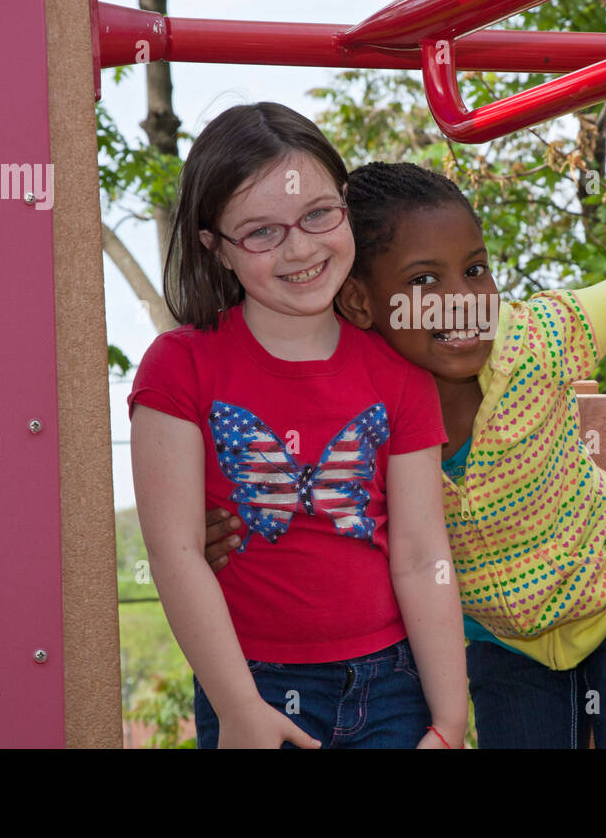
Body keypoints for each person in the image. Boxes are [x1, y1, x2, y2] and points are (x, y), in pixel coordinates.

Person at [205, 26, 606, 747]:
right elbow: (280, 477)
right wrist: (215, 526)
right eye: (422, 282)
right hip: (505, 640)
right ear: (357, 304)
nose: (462, 299)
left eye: (475, 269)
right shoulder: (356, 409)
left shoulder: (537, 333)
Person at [128, 102, 468, 749]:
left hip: (392, 686)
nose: (301, 247)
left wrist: (449, 724)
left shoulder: (398, 376)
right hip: (250, 684)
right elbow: (174, 554)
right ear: (215, 248)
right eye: (262, 232)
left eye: (318, 214)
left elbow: (424, 559)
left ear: (345, 207)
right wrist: (238, 708)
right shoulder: (179, 368)